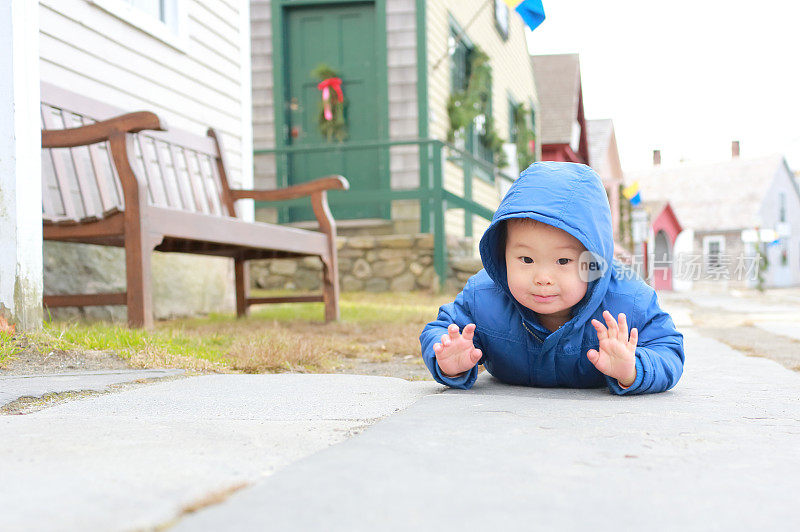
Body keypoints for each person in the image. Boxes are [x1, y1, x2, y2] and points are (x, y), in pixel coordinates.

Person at [419, 162, 684, 394]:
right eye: (526, 260)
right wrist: (448, 362)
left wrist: (633, 369)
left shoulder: (628, 302)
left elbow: (668, 348)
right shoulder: (483, 296)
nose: (543, 278)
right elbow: (441, 330)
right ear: (502, 254)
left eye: (563, 261)